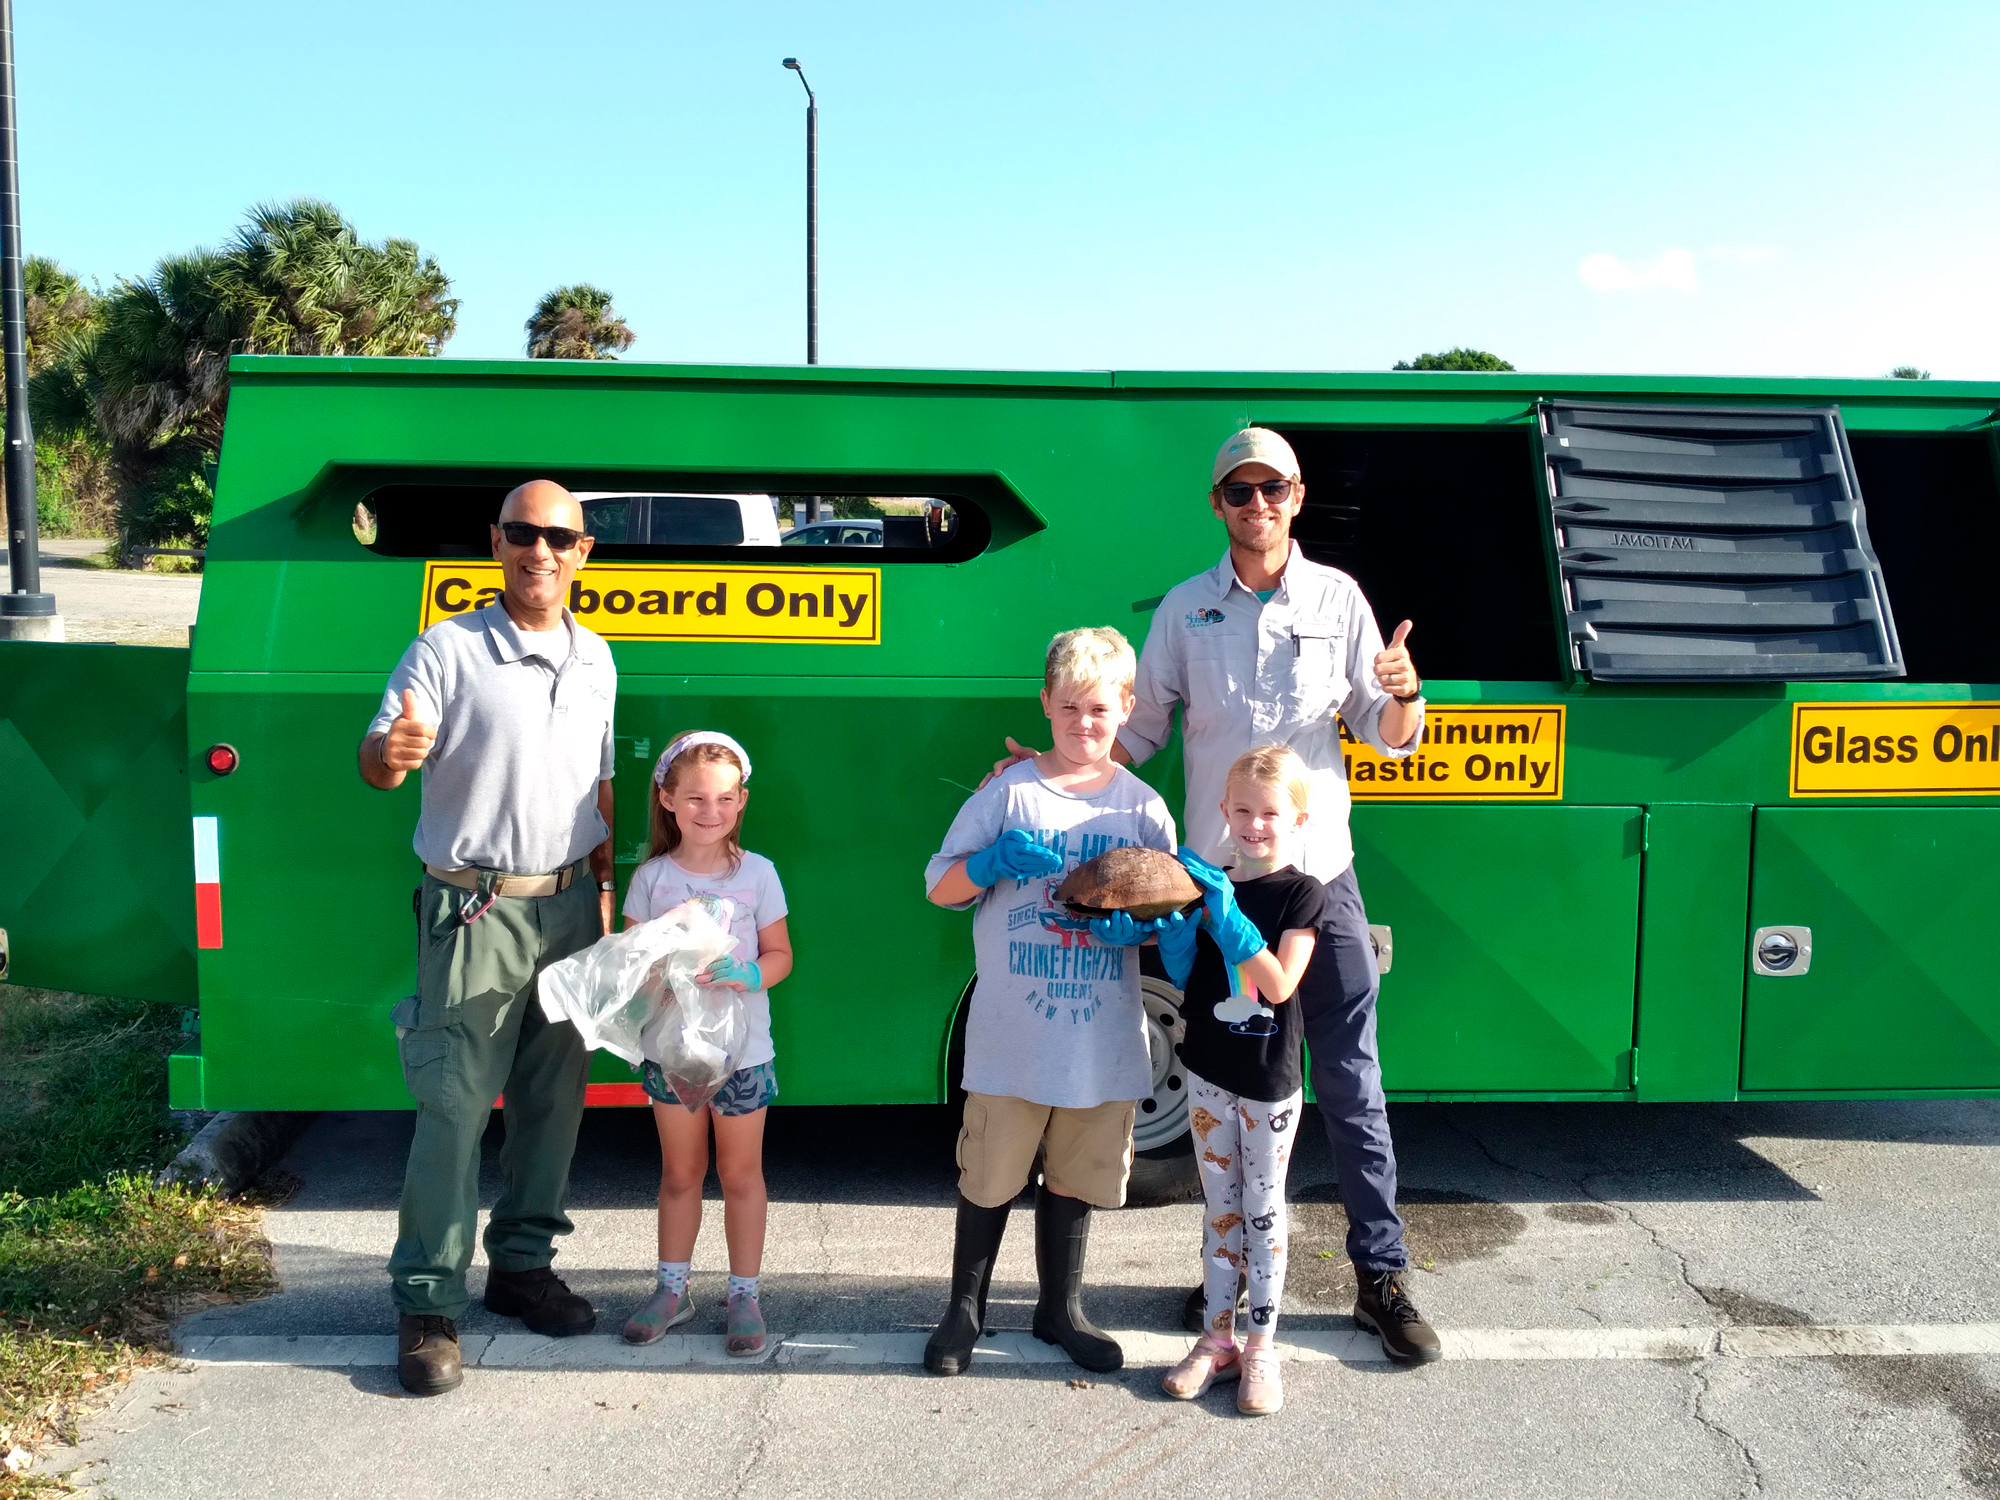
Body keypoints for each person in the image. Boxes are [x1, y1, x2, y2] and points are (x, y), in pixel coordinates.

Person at [991, 427, 1442, 1364]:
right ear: (1218, 506)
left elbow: (1389, 733)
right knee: (1225, 1089)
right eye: (1240, 492)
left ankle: (1381, 1276)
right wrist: (1048, 767)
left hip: (1317, 879)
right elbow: (1138, 730)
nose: (1257, 506)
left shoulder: (1340, 600)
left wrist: (1404, 691)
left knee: (1350, 1079)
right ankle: (1229, 1278)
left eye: (1272, 489)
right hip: (1210, 888)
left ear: (1298, 496)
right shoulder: (1185, 612)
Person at [359, 479, 618, 1398]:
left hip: (571, 911)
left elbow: (599, 786)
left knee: (553, 1105)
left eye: (558, 536)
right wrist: (390, 755)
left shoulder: (598, 658)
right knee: (457, 1108)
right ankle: (428, 1303)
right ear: (496, 542)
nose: (539, 550)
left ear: (583, 551)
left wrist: (610, 898)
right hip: (474, 910)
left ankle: (521, 1270)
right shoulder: (446, 648)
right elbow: (382, 751)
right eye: (522, 533)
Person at [921, 627, 1177, 1377]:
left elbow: (1173, 911)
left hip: (1101, 1040)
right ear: (1045, 704)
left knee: (1078, 1174)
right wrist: (990, 860)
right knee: (991, 1176)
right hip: (1012, 1037)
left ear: (1127, 707)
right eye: (1069, 708)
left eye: (1100, 709)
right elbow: (939, 887)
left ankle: (1060, 1309)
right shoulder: (1009, 791)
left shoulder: (1144, 810)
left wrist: (1155, 926)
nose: (1084, 723)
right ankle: (963, 1310)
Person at [1157, 745, 1324, 1415]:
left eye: (1271, 813)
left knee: (1263, 1208)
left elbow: (1279, 984)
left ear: (1299, 820)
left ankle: (1262, 1347)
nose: (1255, 824)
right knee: (1219, 1209)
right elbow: (1184, 981)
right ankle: (1215, 1339)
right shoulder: (1209, 885)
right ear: (1224, 811)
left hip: (1265, 1082)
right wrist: (1177, 934)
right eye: (1244, 811)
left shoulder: (1302, 893)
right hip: (1208, 1072)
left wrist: (1228, 920)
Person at [618, 732, 793, 1358]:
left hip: (743, 1055)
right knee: (679, 1173)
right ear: (667, 800)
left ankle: (744, 1294)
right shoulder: (651, 878)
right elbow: (631, 968)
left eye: (723, 799)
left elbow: (781, 957)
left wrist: (752, 974)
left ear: (741, 801)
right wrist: (657, 972)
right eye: (694, 798)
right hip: (673, 1053)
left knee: (741, 1175)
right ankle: (672, 1289)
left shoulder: (759, 875)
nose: (709, 811)